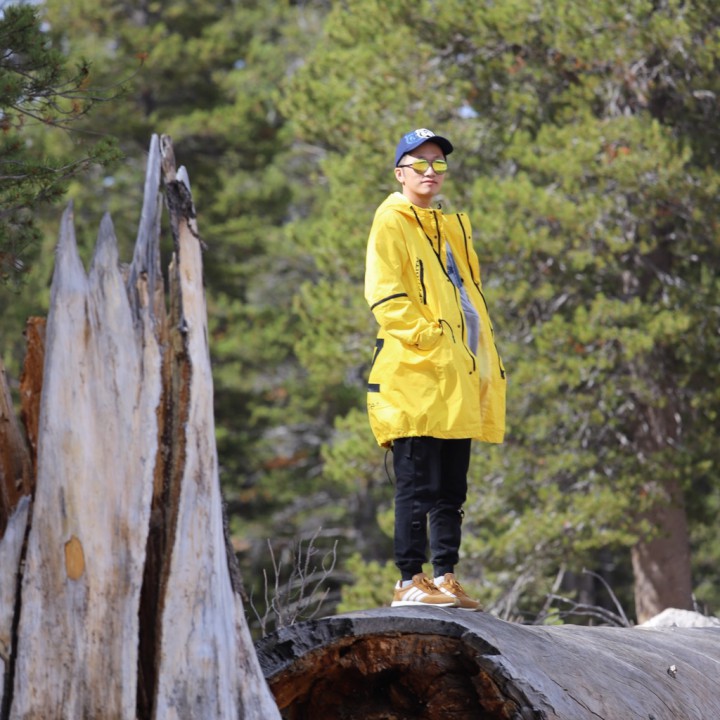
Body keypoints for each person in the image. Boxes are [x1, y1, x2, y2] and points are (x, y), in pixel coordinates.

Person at [364, 128, 506, 610]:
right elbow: (384, 295)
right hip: (416, 377)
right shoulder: (391, 221)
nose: (430, 171)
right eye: (420, 163)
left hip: (458, 377)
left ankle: (445, 577)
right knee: (416, 486)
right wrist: (433, 339)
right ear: (399, 173)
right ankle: (409, 579)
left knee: (451, 490)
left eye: (438, 163)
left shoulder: (450, 227)